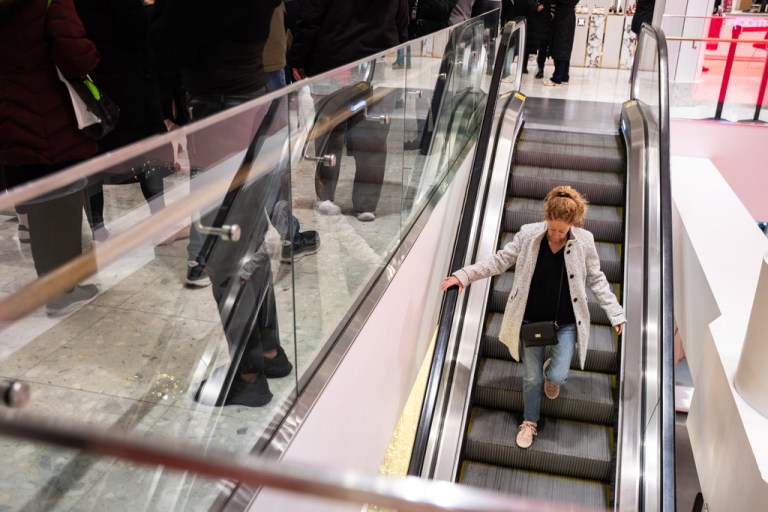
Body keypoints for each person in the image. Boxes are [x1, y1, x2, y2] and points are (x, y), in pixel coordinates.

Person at [150, 0, 298, 407]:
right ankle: (268, 353)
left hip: (221, 111)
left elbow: (166, 49)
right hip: (255, 101)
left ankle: (248, 376)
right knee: (247, 241)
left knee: (225, 254)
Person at [439, 186, 626, 449]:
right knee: (531, 378)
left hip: (566, 323)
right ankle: (529, 421)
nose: (557, 234)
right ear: (546, 218)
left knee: (558, 377)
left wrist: (615, 312)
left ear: (573, 223)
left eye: (562, 230)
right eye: (553, 228)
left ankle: (551, 372)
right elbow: (500, 261)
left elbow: (596, 278)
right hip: (531, 321)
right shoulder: (528, 235)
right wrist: (465, 275)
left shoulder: (584, 241)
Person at [0, 0, 100, 316]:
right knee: (63, 206)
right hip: (52, 119)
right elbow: (76, 55)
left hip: (9, 119)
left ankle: (50, 285)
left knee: (38, 211)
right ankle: (64, 291)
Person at [289, 0, 409, 222]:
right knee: (372, 135)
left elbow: (312, 16)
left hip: (333, 56)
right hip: (377, 58)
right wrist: (399, 44)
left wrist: (298, 57)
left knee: (329, 130)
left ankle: (325, 197)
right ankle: (366, 205)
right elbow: (401, 16)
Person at [74, 0, 177, 246]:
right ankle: (159, 224)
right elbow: (137, 31)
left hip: (93, 82)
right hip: (127, 78)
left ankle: (98, 230)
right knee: (146, 150)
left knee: (94, 154)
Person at [543, 0, 578, 86]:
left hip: (564, 18)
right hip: (565, 17)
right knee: (564, 47)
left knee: (561, 48)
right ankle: (564, 77)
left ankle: (557, 78)